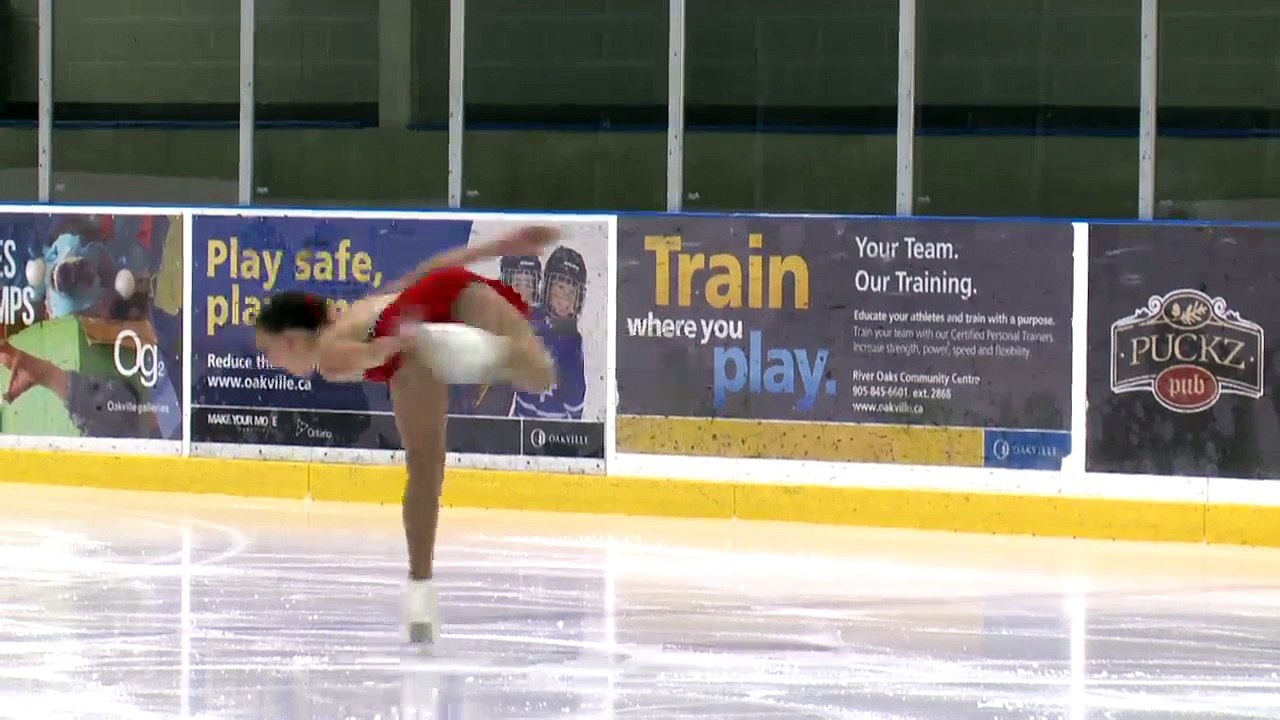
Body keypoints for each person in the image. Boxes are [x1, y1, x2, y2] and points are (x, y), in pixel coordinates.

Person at [252, 225, 559, 645]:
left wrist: (408, 340)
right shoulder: (362, 308)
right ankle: (486, 353)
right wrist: (502, 247)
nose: (273, 362)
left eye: (270, 351)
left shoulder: (326, 355)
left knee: (426, 467)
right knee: (539, 375)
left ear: (291, 338)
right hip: (435, 303)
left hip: (409, 342)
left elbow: (370, 354)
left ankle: (420, 590)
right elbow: (430, 271)